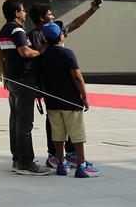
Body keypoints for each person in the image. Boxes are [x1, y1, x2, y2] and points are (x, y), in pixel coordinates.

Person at [28, 0, 102, 170]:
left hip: (58, 88)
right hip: (53, 88)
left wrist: (92, 10)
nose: (53, 16)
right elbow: (77, 76)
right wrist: (84, 97)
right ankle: (56, 155)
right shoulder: (35, 37)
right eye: (49, 14)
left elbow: (76, 23)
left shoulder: (55, 30)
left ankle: (66, 157)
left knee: (59, 122)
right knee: (58, 123)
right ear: (40, 18)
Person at [0, 0, 50, 175]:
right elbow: (25, 52)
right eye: (23, 10)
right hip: (24, 80)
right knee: (25, 123)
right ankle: (26, 163)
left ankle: (17, 159)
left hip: (12, 81)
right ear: (16, 13)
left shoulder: (3, 30)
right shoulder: (17, 30)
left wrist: (5, 76)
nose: (25, 13)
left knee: (15, 121)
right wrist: (42, 51)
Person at [39, 23, 98, 177]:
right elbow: (77, 76)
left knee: (57, 134)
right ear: (60, 36)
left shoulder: (41, 55)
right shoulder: (68, 53)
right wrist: (84, 97)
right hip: (71, 101)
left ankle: (61, 163)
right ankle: (82, 165)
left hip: (52, 101)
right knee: (77, 133)